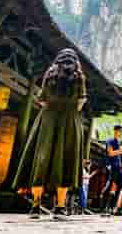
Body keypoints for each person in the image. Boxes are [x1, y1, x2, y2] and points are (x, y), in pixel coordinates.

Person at [13, 49, 87, 220]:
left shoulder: (50, 74)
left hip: (47, 118)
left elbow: (41, 98)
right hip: (70, 120)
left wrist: (53, 105)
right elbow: (81, 100)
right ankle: (60, 208)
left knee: (41, 157)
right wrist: (69, 108)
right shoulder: (79, 76)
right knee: (66, 160)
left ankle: (35, 206)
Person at [103, 125, 122, 215]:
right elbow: (111, 153)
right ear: (116, 131)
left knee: (121, 185)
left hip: (119, 168)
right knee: (109, 186)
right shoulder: (110, 140)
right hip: (112, 167)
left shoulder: (118, 142)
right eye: (120, 131)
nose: (121, 133)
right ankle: (105, 207)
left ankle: (114, 207)